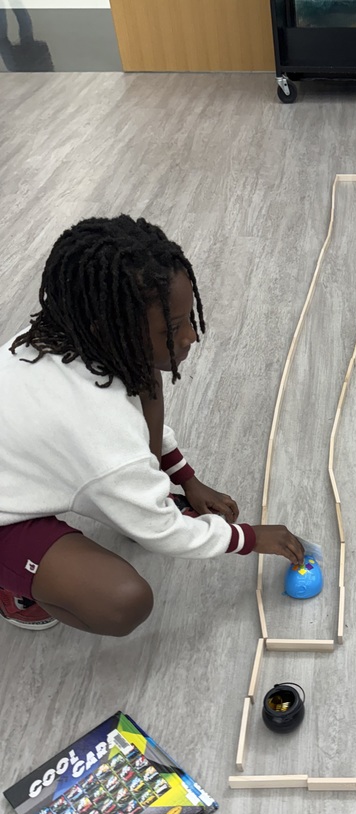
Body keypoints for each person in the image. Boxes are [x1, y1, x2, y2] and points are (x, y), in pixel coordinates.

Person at [0, 215, 304, 633]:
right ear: (104, 328)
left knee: (146, 379)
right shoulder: (97, 430)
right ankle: (14, 589)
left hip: (36, 462)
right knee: (122, 601)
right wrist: (249, 539)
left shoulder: (69, 333)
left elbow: (130, 434)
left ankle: (126, 500)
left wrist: (188, 480)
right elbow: (161, 529)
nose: (191, 338)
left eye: (186, 321)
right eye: (173, 328)